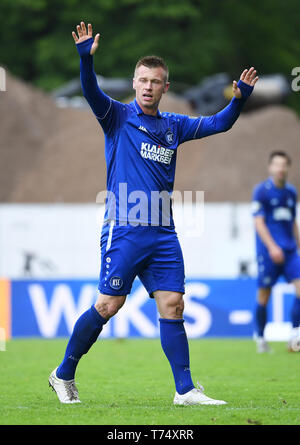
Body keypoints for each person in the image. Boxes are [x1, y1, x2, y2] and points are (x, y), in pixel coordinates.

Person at [49, 21, 258, 404]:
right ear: (133, 84)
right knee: (109, 305)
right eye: (142, 80)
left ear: (165, 87)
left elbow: (220, 123)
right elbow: (90, 91)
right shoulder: (116, 116)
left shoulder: (174, 126)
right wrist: (85, 60)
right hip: (125, 227)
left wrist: (239, 99)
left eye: (155, 81)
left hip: (162, 231)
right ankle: (63, 373)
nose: (148, 86)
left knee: (173, 304)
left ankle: (185, 390)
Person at [252, 151, 300, 353]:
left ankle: (295, 335)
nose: (280, 168)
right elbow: (258, 222)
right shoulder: (262, 191)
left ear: (287, 168)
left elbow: (292, 222)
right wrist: (272, 247)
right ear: (270, 167)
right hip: (268, 252)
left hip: (289, 251)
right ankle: (261, 338)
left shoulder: (291, 192)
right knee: (264, 295)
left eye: (284, 165)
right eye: (277, 165)